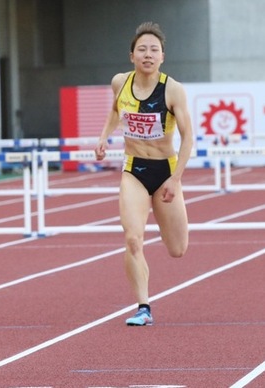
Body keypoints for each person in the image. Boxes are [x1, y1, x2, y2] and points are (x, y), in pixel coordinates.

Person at [94, 22, 193, 327]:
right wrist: (104, 135)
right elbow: (114, 110)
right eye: (142, 49)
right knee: (133, 239)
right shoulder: (120, 82)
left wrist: (176, 179)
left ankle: (167, 226)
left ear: (162, 56)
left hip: (164, 171)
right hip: (133, 169)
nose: (147, 54)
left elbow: (189, 137)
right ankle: (143, 306)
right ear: (132, 55)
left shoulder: (172, 89)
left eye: (153, 50)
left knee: (177, 249)